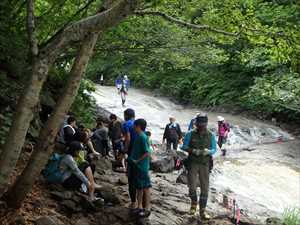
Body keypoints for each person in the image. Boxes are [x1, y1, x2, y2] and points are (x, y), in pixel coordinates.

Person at [181, 113, 217, 220]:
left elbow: (214, 149)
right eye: (199, 124)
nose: (201, 126)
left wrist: (209, 151)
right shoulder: (190, 134)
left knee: (205, 188)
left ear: (206, 124)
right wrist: (193, 150)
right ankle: (193, 204)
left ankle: (202, 211)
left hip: (205, 164)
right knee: (192, 186)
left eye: (203, 124)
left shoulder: (211, 135)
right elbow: (184, 146)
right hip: (193, 163)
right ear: (196, 124)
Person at [129, 119, 151, 217]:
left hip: (142, 167)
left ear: (138, 126)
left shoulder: (142, 137)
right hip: (138, 167)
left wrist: (137, 161)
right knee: (139, 188)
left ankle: (147, 208)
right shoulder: (140, 136)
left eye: (134, 126)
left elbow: (147, 152)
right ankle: (139, 206)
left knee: (145, 187)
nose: (133, 127)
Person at [122, 108, 137, 208]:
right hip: (140, 151)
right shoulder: (138, 123)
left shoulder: (126, 124)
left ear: (126, 115)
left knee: (131, 177)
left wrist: (125, 150)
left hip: (132, 151)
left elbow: (128, 138)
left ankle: (133, 202)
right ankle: (141, 203)